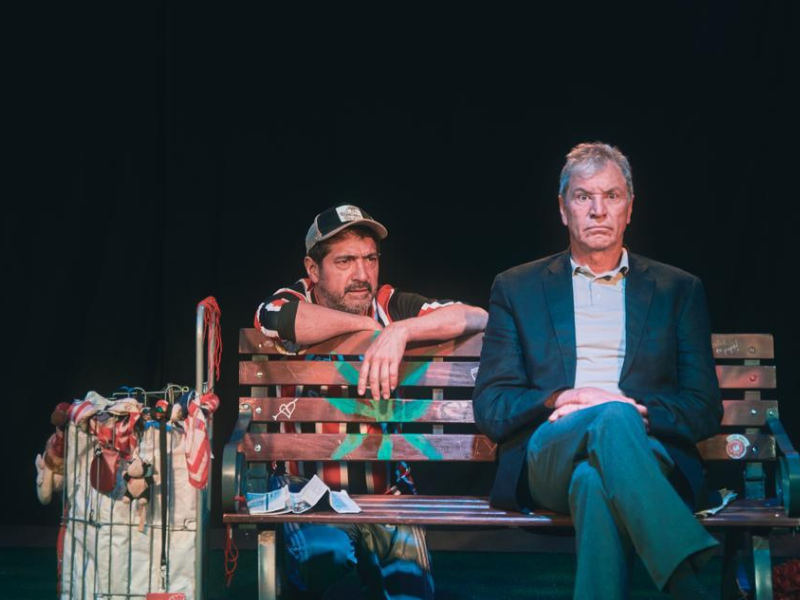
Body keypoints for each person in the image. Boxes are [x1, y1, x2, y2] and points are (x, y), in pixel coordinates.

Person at [472, 142, 723, 600]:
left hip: (646, 450)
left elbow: (704, 407)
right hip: (551, 450)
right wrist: (561, 398)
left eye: (611, 196)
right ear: (563, 209)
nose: (598, 210)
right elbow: (492, 406)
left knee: (593, 478)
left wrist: (639, 412)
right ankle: (687, 580)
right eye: (583, 196)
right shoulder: (517, 288)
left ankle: (681, 578)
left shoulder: (678, 290)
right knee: (610, 416)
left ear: (630, 208)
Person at [255, 203, 488, 599]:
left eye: (370, 259)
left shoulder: (390, 305)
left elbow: (476, 316)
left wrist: (400, 331)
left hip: (385, 492)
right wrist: (368, 327)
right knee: (325, 556)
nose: (361, 274)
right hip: (308, 492)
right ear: (313, 269)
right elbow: (273, 317)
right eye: (345, 261)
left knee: (411, 589)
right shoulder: (295, 298)